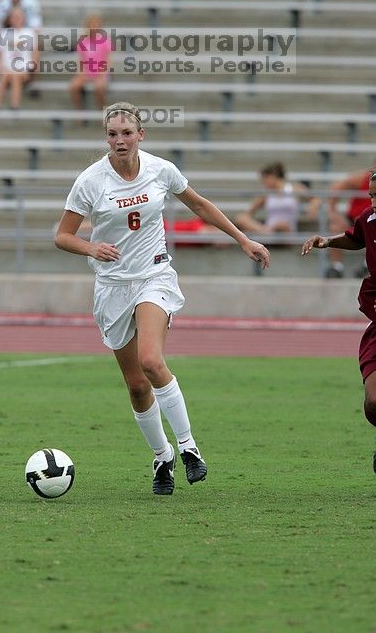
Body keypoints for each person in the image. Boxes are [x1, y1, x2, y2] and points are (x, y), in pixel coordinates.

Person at [54, 101, 270, 495]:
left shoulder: (160, 170)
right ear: (107, 138)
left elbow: (200, 205)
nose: (120, 140)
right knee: (137, 386)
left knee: (152, 361)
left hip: (154, 277)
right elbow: (62, 236)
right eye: (113, 134)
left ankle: (189, 448)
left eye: (127, 133)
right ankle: (162, 455)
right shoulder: (91, 181)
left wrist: (243, 239)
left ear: (141, 135)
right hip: (113, 286)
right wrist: (91, 248)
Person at [301, 172, 376, 474]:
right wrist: (325, 241)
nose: (372, 202)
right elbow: (355, 238)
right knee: (373, 403)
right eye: (371, 195)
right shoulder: (370, 218)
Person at [236, 162, 319, 236]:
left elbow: (315, 198)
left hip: (287, 231)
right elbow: (247, 213)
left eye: (265, 180)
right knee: (241, 218)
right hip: (269, 229)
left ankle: (268, 233)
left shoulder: (294, 189)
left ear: (273, 177)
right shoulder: (265, 194)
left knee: (282, 225)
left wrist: (313, 207)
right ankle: (267, 233)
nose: (264, 183)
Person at [324, 169, 372, 278]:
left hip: (371, 221)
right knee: (336, 226)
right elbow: (337, 187)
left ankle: (367, 265)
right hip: (354, 219)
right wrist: (333, 213)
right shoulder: (363, 178)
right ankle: (336, 267)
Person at [0, 7, 39, 110]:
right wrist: (1, 68)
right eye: (14, 17)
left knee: (16, 76)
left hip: (24, 68)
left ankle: (15, 104)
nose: (17, 19)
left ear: (24, 18)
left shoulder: (30, 33)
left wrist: (31, 68)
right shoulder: (4, 33)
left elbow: (35, 54)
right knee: (5, 76)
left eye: (19, 17)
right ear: (10, 19)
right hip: (8, 68)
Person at [69, 14, 112, 113]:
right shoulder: (83, 41)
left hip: (101, 72)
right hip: (87, 72)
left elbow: (108, 59)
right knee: (73, 86)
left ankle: (102, 112)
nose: (94, 27)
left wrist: (102, 72)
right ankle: (79, 113)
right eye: (92, 24)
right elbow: (81, 60)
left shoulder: (105, 41)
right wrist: (81, 72)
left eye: (96, 25)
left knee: (100, 88)